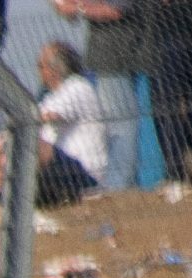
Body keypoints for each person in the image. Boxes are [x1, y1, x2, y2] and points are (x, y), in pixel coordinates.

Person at [0, 40, 110, 204]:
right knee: (5, 140)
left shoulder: (77, 87)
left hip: (83, 173)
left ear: (54, 69)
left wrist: (16, 125)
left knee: (27, 143)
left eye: (40, 65)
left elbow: (48, 117)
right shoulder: (49, 98)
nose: (38, 71)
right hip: (58, 171)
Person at [50, 0, 145, 190]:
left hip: (116, 57)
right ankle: (124, 182)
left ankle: (118, 185)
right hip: (111, 56)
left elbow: (114, 10)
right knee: (119, 124)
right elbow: (70, 14)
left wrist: (78, 7)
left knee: (121, 126)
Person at [155, 0, 192, 182]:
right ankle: (181, 171)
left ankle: (184, 169)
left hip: (189, 29)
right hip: (175, 31)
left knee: (180, 103)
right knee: (175, 105)